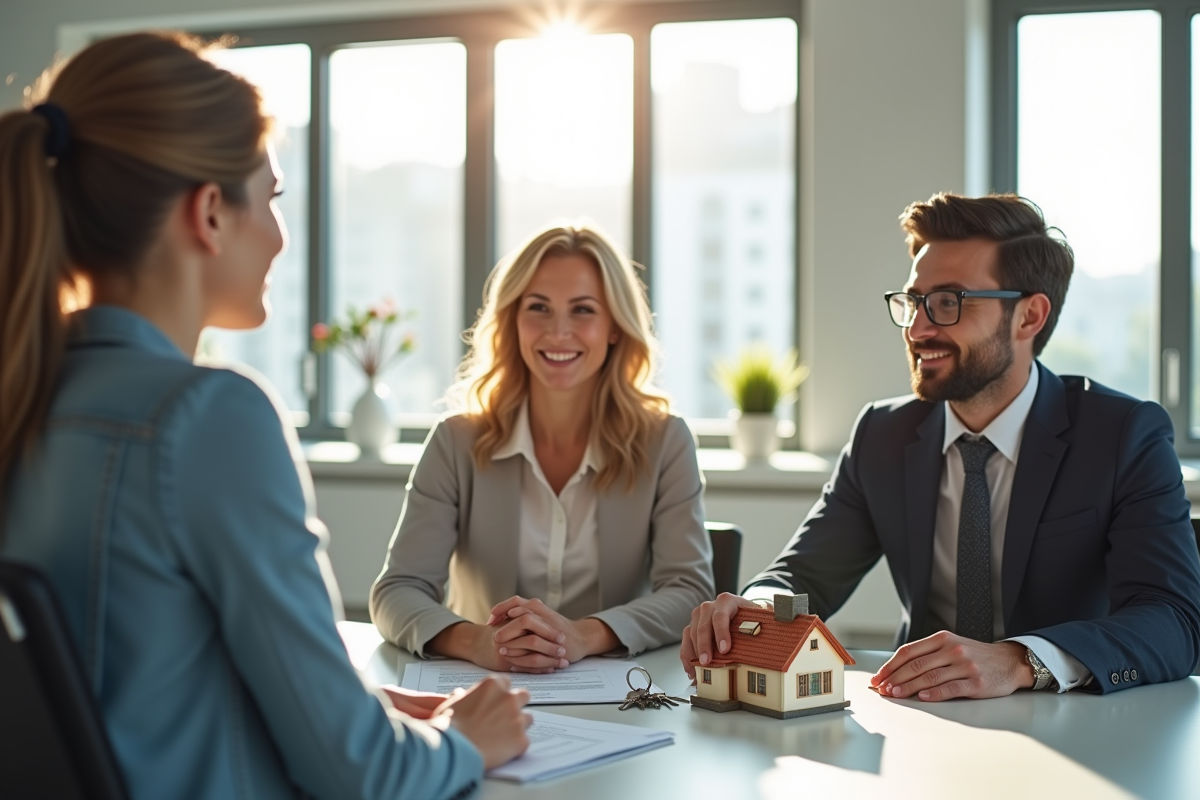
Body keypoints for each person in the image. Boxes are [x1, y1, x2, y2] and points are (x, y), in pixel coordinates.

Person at [0, 32, 531, 800]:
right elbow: (363, 777)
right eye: (273, 198)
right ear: (210, 213)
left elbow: (122, 688)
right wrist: (459, 744)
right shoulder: (208, 418)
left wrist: (348, 709)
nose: (281, 237)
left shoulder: (29, 397)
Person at [680, 192, 1200, 700]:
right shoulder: (882, 434)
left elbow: (1172, 621)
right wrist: (752, 610)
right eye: (913, 302)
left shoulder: (1122, 435)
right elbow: (804, 575)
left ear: (1029, 317)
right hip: (920, 717)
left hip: (1073, 727)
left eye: (949, 302)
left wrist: (1024, 659)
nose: (919, 327)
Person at [371, 222, 714, 672]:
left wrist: (583, 636)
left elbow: (689, 591)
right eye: (538, 308)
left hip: (613, 693)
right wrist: (477, 642)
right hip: (483, 688)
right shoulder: (455, 442)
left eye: (583, 310)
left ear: (614, 326)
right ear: (512, 320)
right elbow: (398, 589)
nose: (558, 331)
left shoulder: (665, 441)